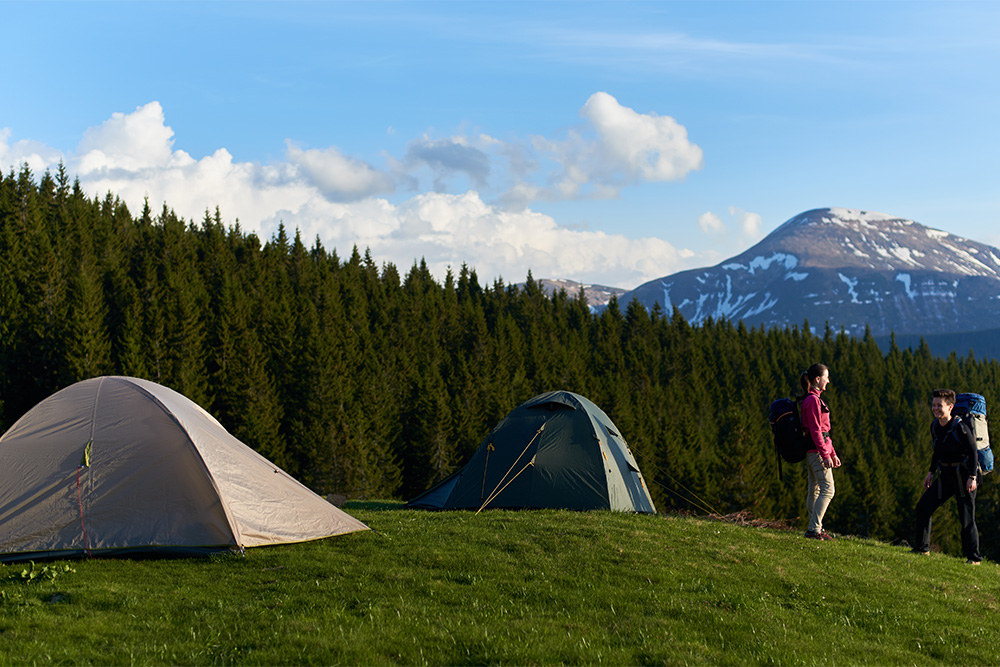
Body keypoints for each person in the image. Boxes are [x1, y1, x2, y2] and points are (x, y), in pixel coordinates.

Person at [912, 389, 982, 564]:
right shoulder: (935, 426)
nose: (935, 408)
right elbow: (937, 451)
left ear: (950, 407)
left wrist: (972, 477)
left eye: (939, 405)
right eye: (934, 404)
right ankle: (922, 549)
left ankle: (974, 558)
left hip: (965, 475)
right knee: (923, 507)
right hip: (946, 475)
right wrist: (930, 472)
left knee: (966, 518)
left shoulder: (960, 426)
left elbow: (973, 452)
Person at [800, 363, 841, 540]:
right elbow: (817, 431)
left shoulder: (812, 399)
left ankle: (815, 527)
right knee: (828, 489)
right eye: (826, 378)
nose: (828, 381)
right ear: (818, 379)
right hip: (816, 451)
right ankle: (814, 529)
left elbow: (823, 432)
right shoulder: (812, 401)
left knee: (815, 490)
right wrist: (825, 455)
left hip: (814, 450)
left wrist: (832, 453)